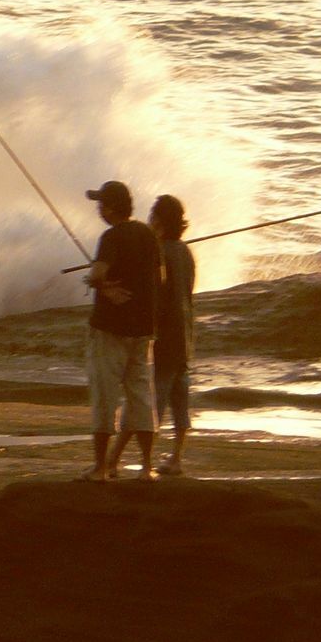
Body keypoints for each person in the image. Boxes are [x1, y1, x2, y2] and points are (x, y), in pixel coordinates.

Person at [81, 179, 160, 480]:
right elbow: (159, 279)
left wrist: (100, 284)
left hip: (110, 329)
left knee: (105, 396)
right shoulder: (148, 235)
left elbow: (98, 274)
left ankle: (101, 467)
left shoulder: (111, 237)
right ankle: (147, 467)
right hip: (142, 328)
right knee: (141, 396)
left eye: (101, 204)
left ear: (111, 208)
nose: (99, 209)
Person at [149, 193, 195, 476]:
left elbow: (156, 294)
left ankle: (147, 459)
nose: (149, 220)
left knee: (157, 399)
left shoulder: (161, 253)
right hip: (186, 334)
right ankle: (176, 457)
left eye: (153, 215)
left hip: (166, 336)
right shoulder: (186, 252)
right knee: (180, 397)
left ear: (161, 222)